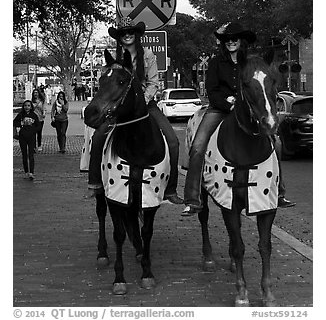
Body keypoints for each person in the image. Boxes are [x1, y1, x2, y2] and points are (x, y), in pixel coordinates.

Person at [182, 22, 295, 216]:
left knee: (275, 143)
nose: (231, 42)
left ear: (241, 41)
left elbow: (261, 87)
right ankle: (193, 198)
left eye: (235, 38)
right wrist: (229, 104)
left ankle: (279, 193)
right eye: (227, 39)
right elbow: (212, 90)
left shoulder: (253, 62)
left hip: (249, 110)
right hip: (221, 110)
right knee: (199, 146)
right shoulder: (217, 62)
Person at [87, 17, 183, 204]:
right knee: (98, 137)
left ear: (136, 35)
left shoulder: (147, 54)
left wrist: (142, 102)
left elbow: (154, 82)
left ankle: (170, 189)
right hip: (119, 107)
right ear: (120, 37)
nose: (127, 35)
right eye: (123, 33)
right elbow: (107, 85)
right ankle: (95, 183)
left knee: (172, 140)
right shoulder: (113, 59)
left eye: (130, 32)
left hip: (145, 105)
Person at [13, 100, 40, 180]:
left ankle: (31, 172)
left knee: (31, 155)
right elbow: (14, 122)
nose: (27, 107)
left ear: (31, 107)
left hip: (31, 137)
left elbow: (38, 126)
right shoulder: (21, 115)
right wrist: (21, 124)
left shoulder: (34, 115)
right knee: (24, 155)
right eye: (25, 105)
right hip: (22, 137)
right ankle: (26, 172)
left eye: (28, 105)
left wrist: (33, 130)